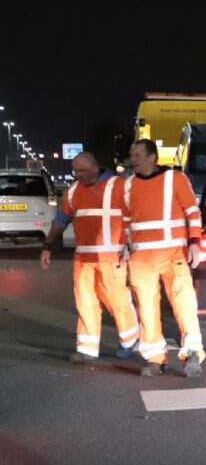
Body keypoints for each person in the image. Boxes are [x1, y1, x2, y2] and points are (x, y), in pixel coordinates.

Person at [39, 151, 140, 364]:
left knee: (117, 300)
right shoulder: (74, 191)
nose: (78, 175)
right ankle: (86, 348)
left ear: (95, 168)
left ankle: (130, 339)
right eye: (76, 171)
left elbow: (137, 216)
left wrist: (133, 246)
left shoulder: (119, 186)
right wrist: (48, 246)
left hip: (111, 258)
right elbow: (60, 220)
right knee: (85, 303)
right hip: (83, 259)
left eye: (82, 171)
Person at [121, 138, 206, 378]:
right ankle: (156, 359)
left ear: (152, 157)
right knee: (146, 309)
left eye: (137, 155)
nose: (133, 160)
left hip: (174, 254)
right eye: (132, 155)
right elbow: (124, 220)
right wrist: (123, 247)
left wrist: (194, 243)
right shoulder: (127, 186)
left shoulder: (175, 179)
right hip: (141, 258)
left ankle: (192, 353)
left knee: (184, 302)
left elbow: (192, 212)